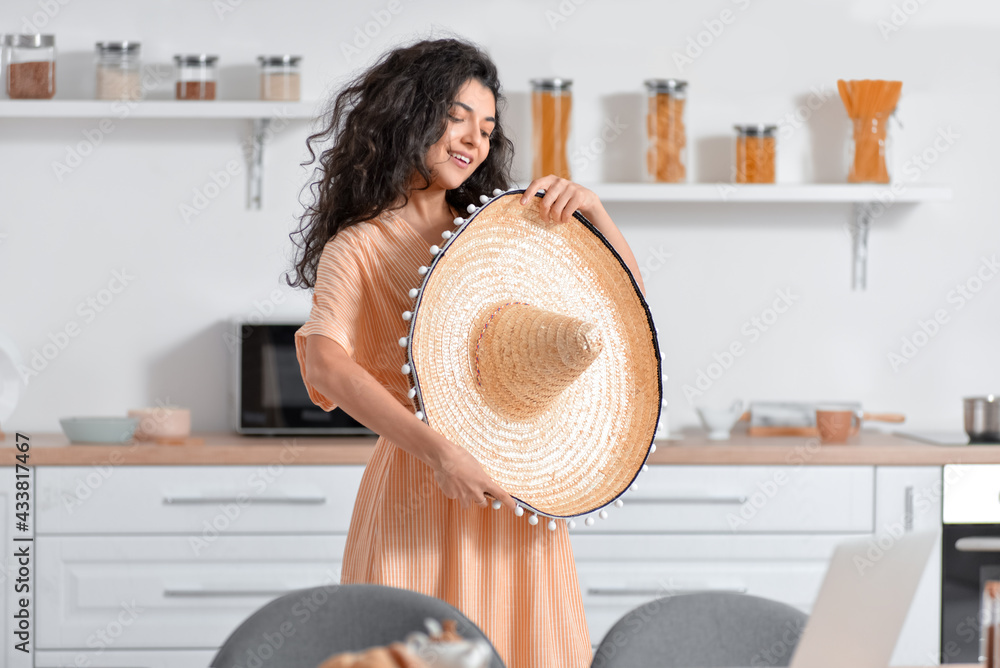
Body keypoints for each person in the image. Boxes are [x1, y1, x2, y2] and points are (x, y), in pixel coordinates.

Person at [287, 37, 645, 668]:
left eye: (486, 128)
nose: (474, 140)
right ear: (406, 115)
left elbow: (623, 321)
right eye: (455, 118)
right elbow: (324, 363)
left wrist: (595, 212)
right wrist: (442, 452)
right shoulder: (360, 247)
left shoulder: (501, 228)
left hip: (521, 487)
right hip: (422, 488)